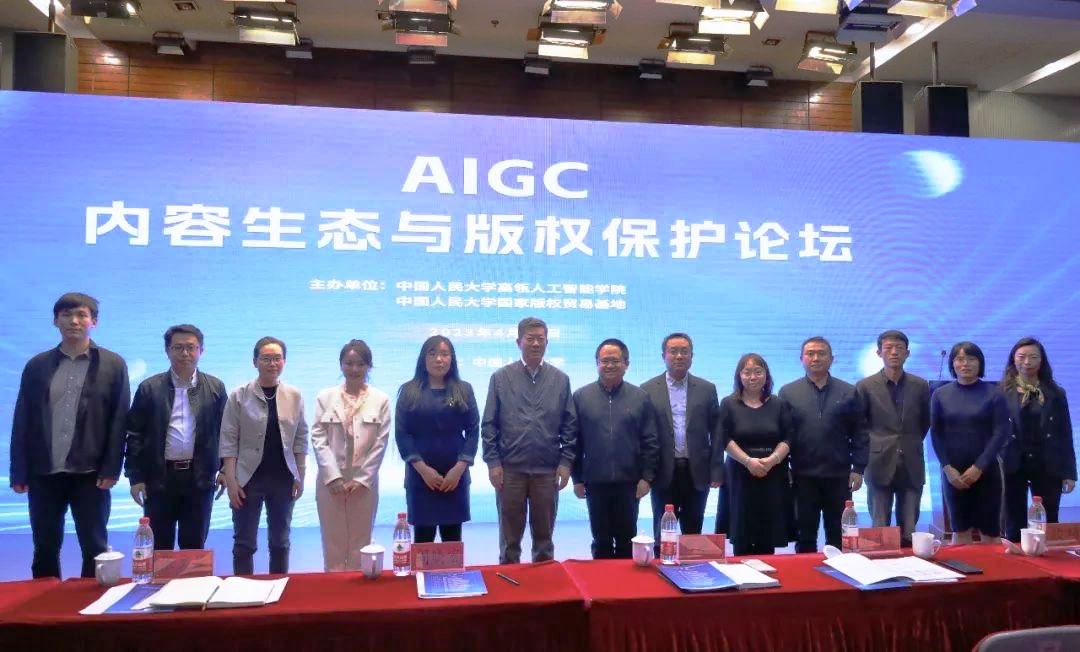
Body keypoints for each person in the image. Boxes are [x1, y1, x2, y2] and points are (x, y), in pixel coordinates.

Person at [9, 292, 130, 578]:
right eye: (66, 315)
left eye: (81, 315)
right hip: (44, 472)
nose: (74, 321)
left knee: (95, 546)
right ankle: (43, 601)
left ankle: (93, 603)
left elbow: (119, 421)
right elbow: (22, 419)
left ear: (93, 322)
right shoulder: (37, 366)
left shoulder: (113, 364)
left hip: (91, 474)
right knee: (45, 546)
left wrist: (111, 468)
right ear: (56, 321)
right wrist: (19, 471)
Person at [481, 316, 577, 564]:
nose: (536, 344)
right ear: (518, 342)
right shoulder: (501, 378)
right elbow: (489, 424)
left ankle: (543, 585)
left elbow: (570, 425)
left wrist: (566, 462)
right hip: (510, 471)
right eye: (530, 339)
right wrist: (493, 463)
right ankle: (508, 585)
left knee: (544, 541)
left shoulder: (560, 379)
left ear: (547, 343)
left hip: (546, 471)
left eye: (540, 339)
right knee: (509, 542)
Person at [125, 324, 227, 550]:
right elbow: (134, 435)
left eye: (191, 347)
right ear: (167, 351)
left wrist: (225, 470)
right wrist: (135, 477)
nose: (185, 353)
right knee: (160, 547)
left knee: (194, 546)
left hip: (199, 478)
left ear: (201, 351)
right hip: (159, 479)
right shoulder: (149, 388)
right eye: (178, 347)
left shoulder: (215, 387)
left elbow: (225, 433)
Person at [220, 336, 308, 575]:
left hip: (283, 478)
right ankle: (242, 591)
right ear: (255, 362)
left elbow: (301, 438)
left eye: (277, 358)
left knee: (280, 543)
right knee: (244, 544)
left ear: (284, 361)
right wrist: (231, 480)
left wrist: (300, 475)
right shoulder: (239, 395)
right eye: (266, 358)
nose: (272, 364)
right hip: (247, 479)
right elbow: (228, 440)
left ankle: (278, 588)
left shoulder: (294, 395)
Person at [572, 339, 659, 559]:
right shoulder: (581, 397)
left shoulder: (640, 397)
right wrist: (577, 479)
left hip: (629, 483)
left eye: (615, 361)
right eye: (604, 361)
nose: (609, 365)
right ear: (597, 363)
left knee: (626, 540)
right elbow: (574, 441)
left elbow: (650, 440)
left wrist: (647, 478)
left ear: (626, 364)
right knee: (600, 540)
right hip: (595, 482)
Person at [780, 336, 868, 553]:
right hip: (801, 476)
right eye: (810, 353)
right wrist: (783, 469)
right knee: (805, 536)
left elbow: (860, 432)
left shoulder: (849, 391)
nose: (815, 358)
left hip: (839, 476)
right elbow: (782, 434)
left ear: (832, 359)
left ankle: (839, 573)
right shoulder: (788, 392)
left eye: (821, 353)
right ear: (801, 358)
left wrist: (858, 468)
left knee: (838, 536)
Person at [310, 340, 391, 571]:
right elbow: (318, 437)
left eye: (360, 364)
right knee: (332, 540)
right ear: (341, 364)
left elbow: (381, 442)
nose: (354, 369)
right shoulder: (325, 397)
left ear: (369, 366)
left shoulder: (381, 399)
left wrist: (363, 479)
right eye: (349, 363)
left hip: (364, 482)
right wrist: (332, 476)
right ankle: (334, 588)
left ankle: (357, 587)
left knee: (361, 540)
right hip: (330, 480)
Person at [641, 332, 723, 554]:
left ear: (692, 356)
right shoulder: (647, 389)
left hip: (697, 471)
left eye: (684, 351)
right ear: (663, 356)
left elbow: (716, 432)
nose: (679, 356)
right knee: (663, 533)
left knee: (693, 531)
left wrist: (717, 470)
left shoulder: (707, 389)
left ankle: (691, 571)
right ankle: (662, 568)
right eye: (673, 351)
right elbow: (644, 435)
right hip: (662, 471)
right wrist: (645, 474)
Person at [395, 335, 480, 544]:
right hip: (420, 478)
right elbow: (402, 434)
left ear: (452, 359)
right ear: (423, 359)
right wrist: (424, 470)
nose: (439, 359)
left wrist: (458, 469)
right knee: (423, 542)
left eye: (444, 354)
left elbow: (472, 431)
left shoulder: (464, 390)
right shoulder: (409, 391)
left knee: (452, 541)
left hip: (455, 478)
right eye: (432, 354)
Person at [855, 330, 931, 547]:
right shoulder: (865, 386)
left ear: (907, 353)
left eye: (899, 348)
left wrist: (908, 441)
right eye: (888, 348)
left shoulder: (920, 385)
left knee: (909, 530)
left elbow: (925, 422)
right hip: (878, 462)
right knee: (880, 529)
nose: (894, 352)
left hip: (912, 461)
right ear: (879, 353)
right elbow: (860, 426)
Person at [930, 341, 1010, 545]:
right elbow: (936, 434)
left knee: (990, 533)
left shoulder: (995, 393)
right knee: (960, 531)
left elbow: (1001, 432)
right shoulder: (940, 394)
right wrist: (947, 468)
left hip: (986, 471)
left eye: (971, 359)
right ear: (952, 363)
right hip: (954, 474)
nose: (965, 364)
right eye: (960, 359)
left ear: (980, 363)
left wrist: (978, 467)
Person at [715, 353, 793, 556]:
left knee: (767, 536)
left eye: (758, 372)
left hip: (772, 474)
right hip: (739, 475)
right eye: (747, 372)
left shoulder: (779, 404)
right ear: (739, 376)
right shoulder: (728, 403)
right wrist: (748, 461)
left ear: (766, 375)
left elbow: (788, 438)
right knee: (741, 534)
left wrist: (772, 460)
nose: (752, 377)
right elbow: (724, 438)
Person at [1000, 337, 1076, 542]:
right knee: (1013, 522)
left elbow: (1065, 433)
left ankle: (1047, 559)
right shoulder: (1001, 392)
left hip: (1047, 462)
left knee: (1048, 521)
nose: (1027, 362)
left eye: (1033, 357)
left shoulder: (1055, 393)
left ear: (1042, 360)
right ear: (1013, 360)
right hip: (1012, 463)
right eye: (1021, 357)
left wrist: (1069, 473)